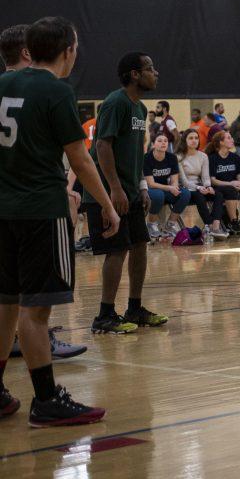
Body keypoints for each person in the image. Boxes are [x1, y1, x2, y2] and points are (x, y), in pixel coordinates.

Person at [0, 17, 119, 426]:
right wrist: (106, 203)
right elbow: (79, 159)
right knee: (35, 313)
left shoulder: (2, 84)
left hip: (3, 210)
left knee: (5, 304)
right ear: (68, 50)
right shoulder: (56, 90)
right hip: (40, 211)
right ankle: (47, 399)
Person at [83, 52, 168, 334]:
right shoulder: (114, 103)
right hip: (109, 193)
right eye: (150, 68)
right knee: (116, 250)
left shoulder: (141, 109)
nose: (155, 73)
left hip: (131, 192)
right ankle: (104, 315)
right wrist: (115, 189)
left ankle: (135, 307)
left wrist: (142, 186)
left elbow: (136, 151)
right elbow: (103, 147)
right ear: (134, 74)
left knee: (140, 245)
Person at [207, 131, 240, 234]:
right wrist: (231, 183)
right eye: (229, 138)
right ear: (221, 142)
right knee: (230, 190)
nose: (232, 140)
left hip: (234, 185)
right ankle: (233, 222)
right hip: (220, 186)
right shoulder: (212, 158)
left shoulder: (235, 157)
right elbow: (213, 180)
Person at [178, 128, 224, 238]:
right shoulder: (178, 157)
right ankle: (209, 224)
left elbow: (205, 176)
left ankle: (216, 226)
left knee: (218, 194)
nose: (194, 140)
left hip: (200, 185)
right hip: (186, 188)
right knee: (199, 196)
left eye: (196, 138)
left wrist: (208, 186)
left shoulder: (203, 156)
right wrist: (199, 188)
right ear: (185, 140)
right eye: (191, 138)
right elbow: (184, 181)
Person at [143, 133, 190, 238]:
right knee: (158, 195)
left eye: (165, 141)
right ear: (153, 144)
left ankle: (170, 225)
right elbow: (151, 183)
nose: (163, 143)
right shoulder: (147, 158)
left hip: (165, 188)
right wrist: (170, 188)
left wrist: (174, 187)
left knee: (185, 194)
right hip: (150, 189)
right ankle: (151, 224)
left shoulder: (172, 157)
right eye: (159, 141)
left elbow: (174, 180)